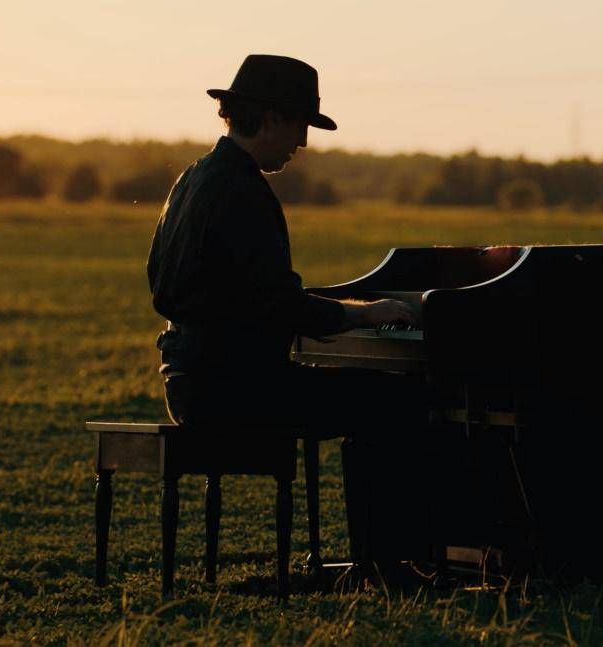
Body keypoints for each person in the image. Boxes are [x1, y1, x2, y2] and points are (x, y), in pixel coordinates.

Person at [147, 54, 424, 433]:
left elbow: (160, 280)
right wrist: (368, 313)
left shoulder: (192, 178)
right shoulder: (242, 191)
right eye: (300, 125)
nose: (303, 142)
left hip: (186, 384)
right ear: (270, 118)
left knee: (367, 393)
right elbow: (281, 307)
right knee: (405, 397)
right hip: (238, 391)